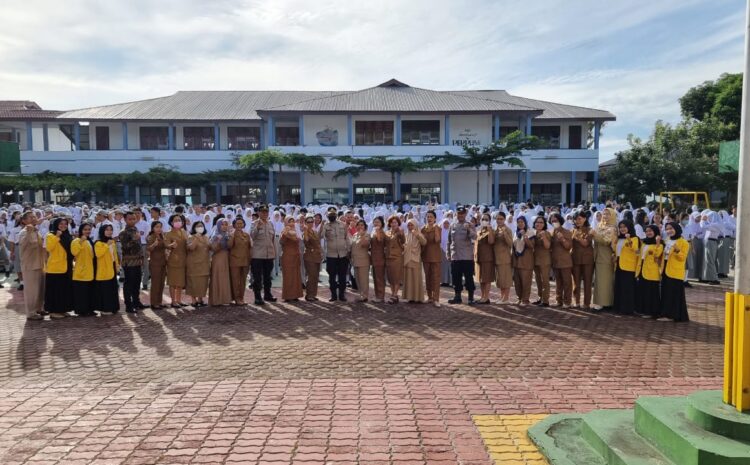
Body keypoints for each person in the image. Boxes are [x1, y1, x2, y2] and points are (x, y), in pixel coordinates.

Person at [17, 212, 45, 320]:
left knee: (40, 289)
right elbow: (28, 244)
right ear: (24, 221)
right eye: (31, 217)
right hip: (30, 265)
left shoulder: (35, 230)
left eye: (34, 216)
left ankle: (39, 308)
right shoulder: (24, 232)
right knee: (32, 290)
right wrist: (29, 232)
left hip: (39, 263)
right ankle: (31, 313)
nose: (34, 218)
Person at [45, 217, 74, 318]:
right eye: (61, 224)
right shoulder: (50, 235)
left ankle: (63, 309)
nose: (63, 226)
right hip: (55, 268)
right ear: (56, 225)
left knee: (64, 290)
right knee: (55, 291)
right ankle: (54, 311)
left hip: (67, 266)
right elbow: (49, 248)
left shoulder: (68, 235)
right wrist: (57, 236)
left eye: (65, 224)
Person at [661, 222, 690, 322]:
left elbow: (683, 258)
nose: (669, 231)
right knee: (666, 293)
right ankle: (666, 313)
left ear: (677, 229)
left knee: (675, 294)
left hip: (675, 272)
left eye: (671, 228)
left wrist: (677, 250)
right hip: (665, 269)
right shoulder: (667, 240)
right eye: (667, 229)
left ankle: (673, 315)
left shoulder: (684, 242)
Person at [448, 206, 477, 304]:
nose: (460, 215)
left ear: (465, 214)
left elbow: (474, 237)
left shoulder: (469, 224)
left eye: (462, 213)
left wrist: (469, 229)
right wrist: (449, 254)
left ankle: (471, 297)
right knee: (456, 277)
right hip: (455, 256)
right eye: (459, 213)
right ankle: (457, 296)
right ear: (456, 214)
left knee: (468, 277)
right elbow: (449, 241)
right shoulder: (453, 225)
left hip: (466, 256)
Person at [119, 211, 147, 313]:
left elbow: (139, 246)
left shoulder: (135, 229)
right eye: (130, 219)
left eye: (134, 218)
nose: (132, 220)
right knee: (129, 283)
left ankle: (136, 301)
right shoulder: (123, 232)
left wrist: (141, 257)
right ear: (125, 220)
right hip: (129, 261)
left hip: (137, 260)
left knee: (136, 283)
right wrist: (134, 239)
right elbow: (125, 246)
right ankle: (128, 305)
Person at [250, 205, 277, 305]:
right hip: (258, 255)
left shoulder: (270, 224)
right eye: (262, 212)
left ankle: (267, 294)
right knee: (257, 277)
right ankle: (257, 297)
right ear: (259, 213)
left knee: (267, 276)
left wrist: (274, 252)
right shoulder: (254, 223)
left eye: (266, 212)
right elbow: (252, 236)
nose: (265, 214)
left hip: (269, 254)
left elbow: (272, 238)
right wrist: (257, 227)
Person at [322, 207, 350, 302]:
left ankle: (342, 294)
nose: (332, 217)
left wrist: (349, 250)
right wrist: (322, 226)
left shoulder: (343, 225)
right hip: (331, 255)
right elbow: (320, 236)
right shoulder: (326, 225)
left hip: (343, 254)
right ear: (327, 216)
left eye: (333, 215)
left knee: (342, 276)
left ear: (336, 216)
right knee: (332, 276)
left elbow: (347, 238)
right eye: (330, 215)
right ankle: (333, 294)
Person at [636, 224, 663, 318]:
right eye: (647, 231)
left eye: (650, 231)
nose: (648, 233)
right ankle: (644, 310)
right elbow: (640, 255)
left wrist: (658, 242)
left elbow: (657, 254)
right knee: (643, 291)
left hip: (652, 271)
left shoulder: (659, 244)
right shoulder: (645, 242)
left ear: (655, 232)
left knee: (652, 292)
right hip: (642, 268)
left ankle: (652, 312)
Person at [613, 220, 640, 315]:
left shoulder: (635, 238)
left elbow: (636, 251)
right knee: (619, 287)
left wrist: (629, 240)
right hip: (618, 265)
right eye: (620, 227)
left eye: (624, 227)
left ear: (629, 227)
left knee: (627, 288)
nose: (622, 229)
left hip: (629, 266)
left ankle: (628, 309)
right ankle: (618, 307)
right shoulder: (619, 239)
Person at [592, 208, 616, 310]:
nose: (605, 216)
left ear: (612, 216)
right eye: (604, 214)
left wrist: (594, 235)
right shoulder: (599, 226)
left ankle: (603, 303)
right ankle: (603, 302)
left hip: (606, 257)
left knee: (604, 281)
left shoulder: (612, 228)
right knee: (599, 280)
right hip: (598, 256)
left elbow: (606, 241)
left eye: (608, 214)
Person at [93, 224, 120, 314]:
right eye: (107, 230)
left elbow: (114, 255)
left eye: (111, 230)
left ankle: (113, 307)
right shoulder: (98, 243)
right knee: (105, 290)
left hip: (111, 267)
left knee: (112, 289)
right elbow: (98, 254)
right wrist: (106, 245)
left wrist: (117, 266)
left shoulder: (112, 241)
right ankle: (105, 308)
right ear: (102, 231)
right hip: (103, 269)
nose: (109, 232)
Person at [71, 222, 96, 316]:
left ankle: (89, 309)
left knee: (89, 292)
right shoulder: (76, 241)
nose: (87, 231)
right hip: (81, 271)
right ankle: (81, 310)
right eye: (85, 229)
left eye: (89, 229)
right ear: (81, 230)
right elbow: (74, 252)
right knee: (81, 293)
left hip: (90, 270)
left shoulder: (90, 241)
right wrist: (81, 242)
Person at [571, 211, 594, 311]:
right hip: (575, 259)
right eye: (576, 219)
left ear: (585, 219)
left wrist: (577, 237)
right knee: (576, 282)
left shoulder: (590, 230)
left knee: (587, 282)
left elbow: (585, 243)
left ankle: (587, 303)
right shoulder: (572, 230)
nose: (577, 221)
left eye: (580, 218)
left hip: (587, 259)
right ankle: (576, 301)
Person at [549, 213, 573, 309]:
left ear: (560, 221)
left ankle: (567, 301)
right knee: (558, 282)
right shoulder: (551, 232)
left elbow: (568, 247)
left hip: (565, 261)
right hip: (555, 261)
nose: (554, 222)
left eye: (556, 220)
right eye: (552, 221)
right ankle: (559, 300)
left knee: (567, 282)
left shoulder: (567, 232)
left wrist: (562, 239)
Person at [164, 214, 188, 307]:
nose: (178, 222)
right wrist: (171, 246)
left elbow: (187, 243)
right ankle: (173, 301)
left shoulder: (184, 232)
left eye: (179, 220)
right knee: (172, 282)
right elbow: (166, 246)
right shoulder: (168, 233)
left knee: (180, 282)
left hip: (183, 259)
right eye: (175, 220)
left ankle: (179, 300)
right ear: (171, 222)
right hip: (173, 260)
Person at [186, 221, 210, 308]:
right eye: (198, 226)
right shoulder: (190, 237)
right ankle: (193, 300)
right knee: (193, 282)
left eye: (201, 226)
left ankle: (200, 299)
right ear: (194, 228)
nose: (200, 227)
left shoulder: (206, 237)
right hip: (194, 264)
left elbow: (210, 247)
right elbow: (191, 247)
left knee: (203, 282)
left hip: (204, 263)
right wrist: (196, 238)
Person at [228, 217, 252, 305]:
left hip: (245, 260)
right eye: (237, 223)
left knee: (243, 280)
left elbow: (250, 247)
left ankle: (241, 297)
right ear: (234, 225)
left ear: (244, 224)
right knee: (235, 280)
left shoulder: (246, 235)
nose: (239, 225)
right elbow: (229, 246)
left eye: (241, 223)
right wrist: (233, 235)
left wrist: (250, 259)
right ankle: (236, 298)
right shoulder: (231, 234)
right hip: (235, 260)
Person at [209, 218, 233, 306]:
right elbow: (212, 248)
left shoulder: (228, 234)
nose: (224, 226)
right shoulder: (216, 235)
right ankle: (216, 299)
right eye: (222, 224)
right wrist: (218, 241)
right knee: (218, 277)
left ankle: (225, 299)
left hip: (227, 258)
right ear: (219, 225)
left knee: (225, 278)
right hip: (218, 258)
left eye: (226, 224)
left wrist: (230, 237)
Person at [279, 216, 304, 302]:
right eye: (290, 221)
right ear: (286, 222)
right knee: (288, 276)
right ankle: (288, 295)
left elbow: (298, 241)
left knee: (296, 275)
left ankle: (295, 295)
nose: (292, 223)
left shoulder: (296, 232)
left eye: (293, 221)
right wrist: (286, 233)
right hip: (287, 256)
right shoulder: (284, 231)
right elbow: (281, 241)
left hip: (296, 256)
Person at [421, 211, 443, 306]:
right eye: (428, 217)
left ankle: (436, 298)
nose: (429, 218)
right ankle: (429, 297)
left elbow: (437, 240)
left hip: (435, 256)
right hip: (425, 256)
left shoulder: (438, 228)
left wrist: (436, 229)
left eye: (431, 217)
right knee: (427, 277)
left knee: (436, 278)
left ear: (435, 219)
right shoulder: (423, 229)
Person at [512, 216, 535, 305]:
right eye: (518, 222)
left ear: (525, 223)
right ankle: (519, 298)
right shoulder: (516, 233)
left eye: (522, 222)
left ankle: (525, 299)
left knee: (526, 282)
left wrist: (525, 236)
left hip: (526, 261)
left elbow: (531, 246)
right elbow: (514, 247)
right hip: (517, 261)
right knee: (517, 282)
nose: (520, 223)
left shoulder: (530, 232)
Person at [402, 218, 426, 303]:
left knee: (416, 279)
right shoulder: (406, 235)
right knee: (409, 279)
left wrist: (417, 235)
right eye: (408, 225)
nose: (410, 226)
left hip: (416, 259)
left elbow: (424, 242)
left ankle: (417, 297)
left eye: (412, 225)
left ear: (415, 225)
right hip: (407, 259)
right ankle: (410, 297)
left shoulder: (419, 234)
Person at [474, 213, 495, 304]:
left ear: (489, 221)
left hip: (487, 258)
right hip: (479, 258)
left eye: (486, 219)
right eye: (483, 219)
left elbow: (491, 242)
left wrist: (490, 230)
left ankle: (486, 297)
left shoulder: (491, 230)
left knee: (486, 279)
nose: (484, 221)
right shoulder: (479, 231)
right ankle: (483, 296)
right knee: (481, 279)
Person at [492, 212, 513, 303]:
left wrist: (504, 234)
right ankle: (502, 297)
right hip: (497, 257)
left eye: (501, 219)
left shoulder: (507, 229)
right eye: (497, 219)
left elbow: (510, 243)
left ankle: (506, 298)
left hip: (504, 258)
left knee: (506, 278)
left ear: (504, 219)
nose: (499, 220)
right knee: (500, 279)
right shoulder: (496, 229)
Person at [146, 221, 168, 309]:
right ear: (153, 228)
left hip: (162, 262)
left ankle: (159, 302)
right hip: (155, 263)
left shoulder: (162, 236)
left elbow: (166, 246)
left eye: (160, 227)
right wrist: (154, 244)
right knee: (155, 283)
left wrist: (171, 245)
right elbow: (148, 249)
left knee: (161, 283)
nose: (159, 229)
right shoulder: (151, 237)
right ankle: (154, 303)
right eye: (157, 227)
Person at [385, 215, 406, 304]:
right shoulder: (387, 233)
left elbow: (403, 241)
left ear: (398, 223)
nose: (393, 224)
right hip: (388, 257)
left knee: (396, 277)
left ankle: (394, 295)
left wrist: (400, 234)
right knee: (390, 278)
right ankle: (394, 295)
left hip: (397, 257)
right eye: (392, 222)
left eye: (395, 222)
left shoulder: (400, 232)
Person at [532, 216, 551, 307]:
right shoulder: (533, 233)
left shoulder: (546, 233)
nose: (538, 224)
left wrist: (543, 237)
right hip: (535, 260)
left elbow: (547, 246)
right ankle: (540, 297)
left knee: (545, 280)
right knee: (538, 280)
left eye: (541, 222)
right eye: (537, 222)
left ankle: (546, 300)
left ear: (544, 224)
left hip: (544, 260)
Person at [302, 215, 322, 301]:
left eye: (312, 222)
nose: (310, 223)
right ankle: (309, 294)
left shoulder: (314, 231)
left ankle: (313, 294)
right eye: (308, 222)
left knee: (316, 276)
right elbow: (306, 240)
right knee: (311, 275)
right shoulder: (305, 231)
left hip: (317, 256)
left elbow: (318, 242)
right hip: (310, 256)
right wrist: (306, 230)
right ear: (305, 223)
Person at [350, 219, 371, 302]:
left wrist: (362, 236)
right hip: (355, 260)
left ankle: (365, 295)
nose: (360, 226)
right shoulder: (355, 235)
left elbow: (365, 244)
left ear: (365, 227)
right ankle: (361, 294)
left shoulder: (367, 235)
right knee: (358, 279)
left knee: (363, 279)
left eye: (362, 225)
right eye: (358, 225)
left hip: (363, 260)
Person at [370, 216, 387, 303]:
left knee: (379, 278)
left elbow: (380, 241)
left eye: (378, 222)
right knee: (375, 277)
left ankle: (381, 296)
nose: (376, 223)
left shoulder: (381, 232)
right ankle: (377, 295)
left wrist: (377, 232)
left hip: (379, 258)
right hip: (374, 258)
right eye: (375, 222)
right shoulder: (373, 231)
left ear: (382, 224)